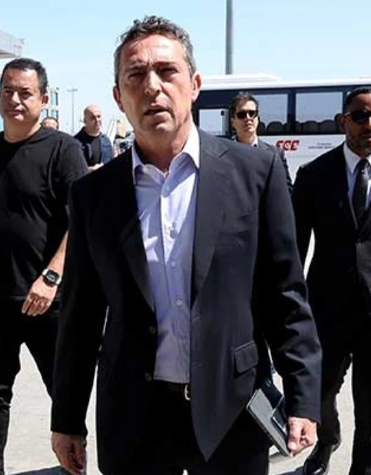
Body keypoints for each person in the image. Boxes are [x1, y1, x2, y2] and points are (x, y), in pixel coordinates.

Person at [51, 16, 321, 475]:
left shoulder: (256, 174)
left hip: (232, 407)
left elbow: (285, 295)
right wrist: (66, 419)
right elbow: (80, 315)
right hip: (134, 415)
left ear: (194, 85)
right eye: (136, 75)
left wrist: (303, 397)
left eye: (167, 71)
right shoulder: (93, 195)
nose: (152, 87)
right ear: (119, 97)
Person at [0, 57, 87, 475]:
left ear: (43, 100)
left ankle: (74, 467)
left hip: (49, 302)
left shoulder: (63, 150)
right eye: (8, 91)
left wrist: (51, 277)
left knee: (64, 395)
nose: (15, 99)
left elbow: (81, 223)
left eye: (25, 93)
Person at [292, 86, 371, 475]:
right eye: (361, 116)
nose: (369, 124)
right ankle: (327, 440)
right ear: (343, 122)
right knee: (320, 392)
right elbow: (293, 247)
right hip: (327, 307)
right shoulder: (313, 175)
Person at [229, 92, 293, 192]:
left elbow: (286, 191)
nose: (248, 118)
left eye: (252, 113)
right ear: (233, 121)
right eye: (242, 115)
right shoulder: (223, 154)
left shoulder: (275, 154)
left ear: (258, 119)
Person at [73, 104, 114, 171]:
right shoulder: (75, 142)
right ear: (85, 120)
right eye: (93, 117)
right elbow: (71, 168)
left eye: (98, 116)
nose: (97, 120)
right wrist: (89, 170)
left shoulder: (106, 141)